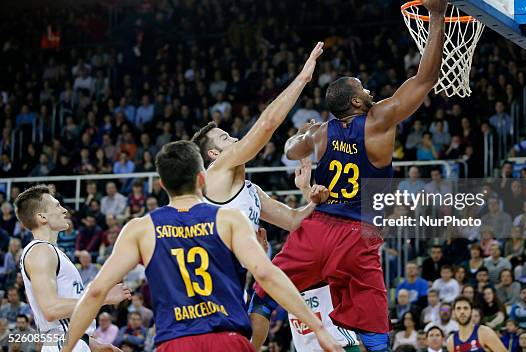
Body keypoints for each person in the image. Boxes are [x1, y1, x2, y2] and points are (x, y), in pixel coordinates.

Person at [249, 0, 448, 352]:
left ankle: (247, 347)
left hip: (317, 228)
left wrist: (301, 138)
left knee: (265, 289)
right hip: (359, 235)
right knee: (374, 328)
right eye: (363, 88)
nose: (370, 91)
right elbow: (425, 78)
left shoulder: (320, 133)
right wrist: (436, 17)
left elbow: (290, 149)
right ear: (356, 103)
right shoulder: (378, 119)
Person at [61, 141, 342, 352]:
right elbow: (267, 275)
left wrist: (67, 348)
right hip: (228, 339)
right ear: (201, 178)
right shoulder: (229, 220)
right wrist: (318, 327)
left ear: (161, 184)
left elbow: (97, 291)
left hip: (175, 342)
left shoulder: (140, 228)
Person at [191, 43, 356, 350]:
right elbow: (266, 125)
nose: (236, 138)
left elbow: (294, 221)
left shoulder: (251, 192)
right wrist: (303, 78)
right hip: (205, 295)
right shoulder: (216, 170)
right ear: (214, 153)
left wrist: (311, 196)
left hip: (229, 288)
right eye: (226, 138)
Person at [14, 185, 130, 351]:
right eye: (57, 206)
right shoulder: (40, 251)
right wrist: (102, 298)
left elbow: (61, 323)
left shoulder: (50, 251)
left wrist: (94, 345)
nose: (64, 211)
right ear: (42, 217)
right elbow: (51, 309)